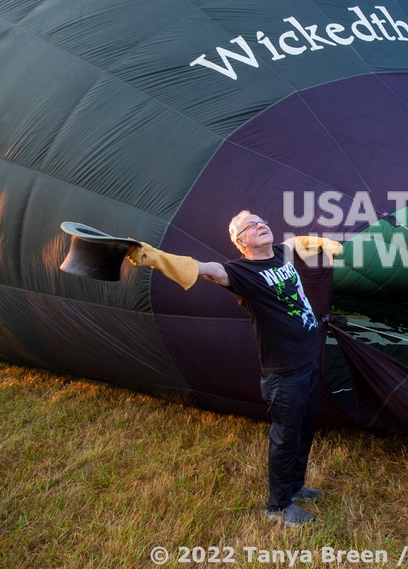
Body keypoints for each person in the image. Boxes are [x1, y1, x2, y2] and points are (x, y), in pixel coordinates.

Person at [125, 211, 341, 527]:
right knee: (286, 437)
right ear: (240, 241)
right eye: (250, 226)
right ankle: (278, 507)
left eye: (261, 220)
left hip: (307, 360)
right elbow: (201, 269)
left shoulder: (281, 252)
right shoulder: (238, 271)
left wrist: (326, 243)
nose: (260, 225)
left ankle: (296, 487)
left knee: (304, 430)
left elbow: (299, 242)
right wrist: (152, 257)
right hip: (283, 371)